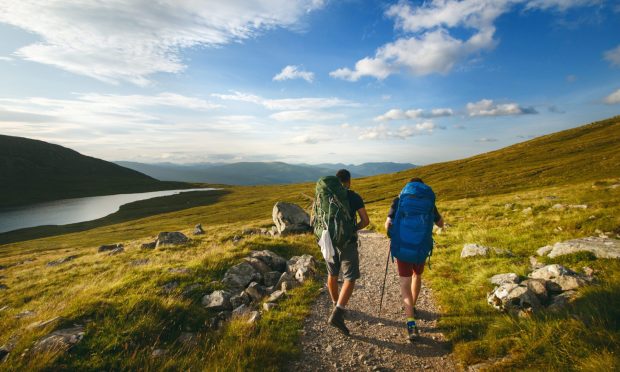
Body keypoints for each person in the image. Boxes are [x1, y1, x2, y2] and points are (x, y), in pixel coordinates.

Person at [385, 177, 444, 341]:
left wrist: (392, 235)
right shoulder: (429, 202)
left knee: (404, 284)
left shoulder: (399, 200)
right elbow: (440, 224)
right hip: (421, 248)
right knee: (417, 276)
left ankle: (411, 324)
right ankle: (414, 305)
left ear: (408, 187)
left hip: (403, 247)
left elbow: (387, 225)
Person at [327, 169, 370, 336]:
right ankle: (338, 313)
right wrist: (353, 229)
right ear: (348, 181)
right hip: (348, 242)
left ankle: (334, 303)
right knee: (350, 277)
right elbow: (365, 221)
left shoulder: (326, 197)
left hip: (328, 241)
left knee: (332, 273)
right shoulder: (353, 196)